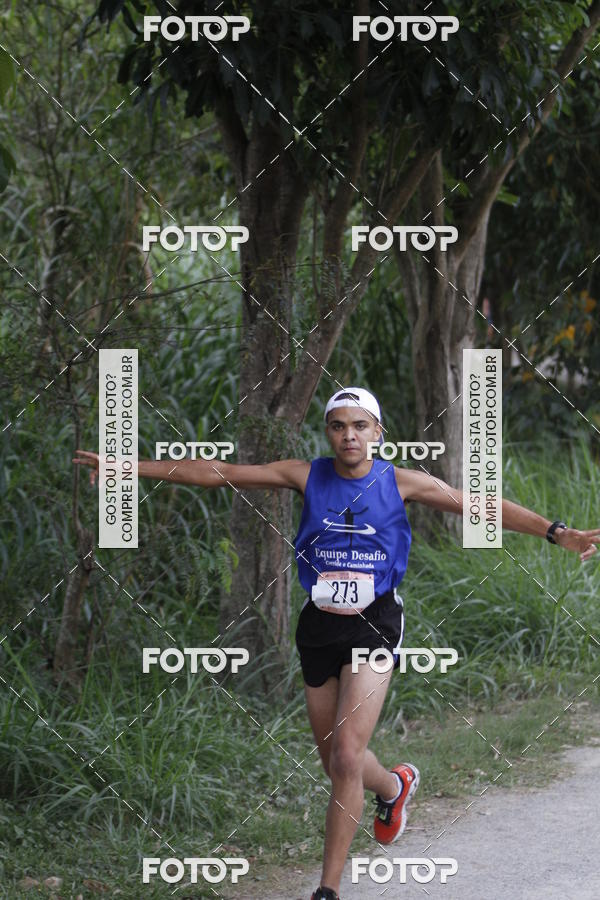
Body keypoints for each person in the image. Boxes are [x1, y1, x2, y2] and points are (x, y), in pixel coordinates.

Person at [73, 386, 599, 900]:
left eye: (360, 426)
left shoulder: (402, 482)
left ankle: (327, 889)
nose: (350, 435)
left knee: (347, 756)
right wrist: (127, 467)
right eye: (339, 425)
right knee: (336, 763)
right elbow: (219, 474)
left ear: (378, 433)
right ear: (328, 432)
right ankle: (394, 788)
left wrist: (558, 532)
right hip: (319, 625)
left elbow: (479, 505)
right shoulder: (305, 475)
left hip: (375, 621)